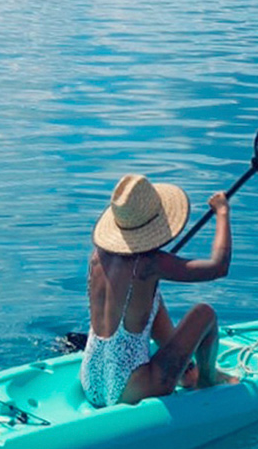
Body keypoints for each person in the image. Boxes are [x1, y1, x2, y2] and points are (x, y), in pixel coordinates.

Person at [80, 173, 236, 408]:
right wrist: (222, 212)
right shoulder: (150, 264)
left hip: (90, 380)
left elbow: (149, 315)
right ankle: (207, 380)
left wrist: (185, 366)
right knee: (204, 313)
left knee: (152, 300)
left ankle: (190, 372)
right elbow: (218, 266)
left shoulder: (97, 257)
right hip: (130, 388)